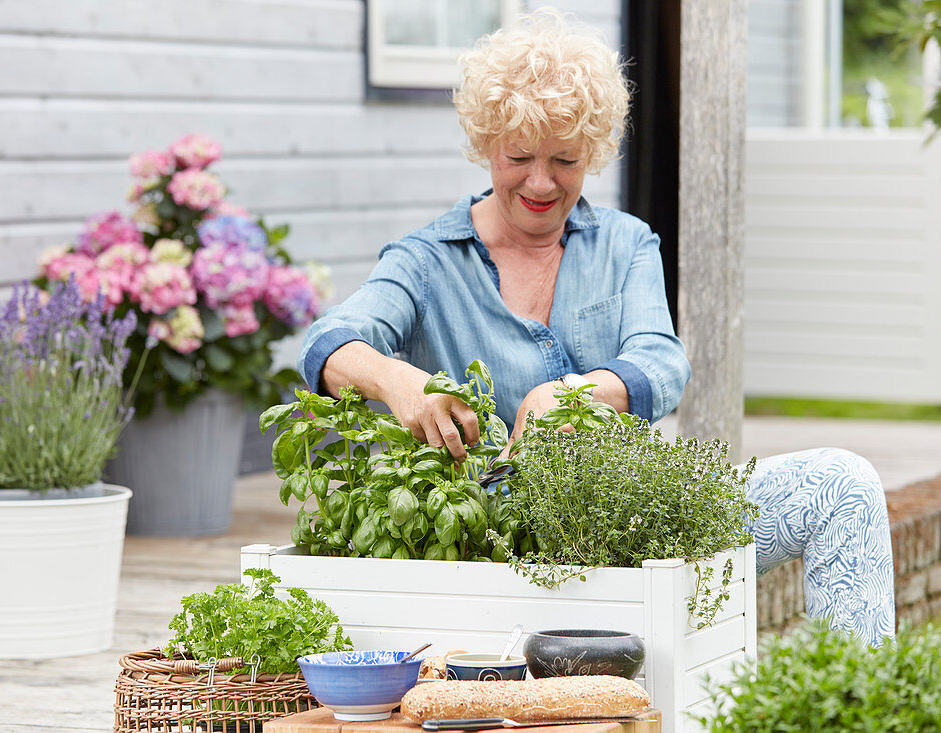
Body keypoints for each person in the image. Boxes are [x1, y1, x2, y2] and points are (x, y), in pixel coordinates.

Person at [297, 9, 894, 646]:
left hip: (639, 520)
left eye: (566, 160)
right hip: (502, 551)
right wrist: (398, 382)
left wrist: (577, 393)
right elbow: (329, 342)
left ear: (596, 152)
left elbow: (661, 363)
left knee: (842, 483)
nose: (541, 182)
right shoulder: (426, 262)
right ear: (484, 144)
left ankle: (859, 698)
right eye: (519, 156)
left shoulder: (625, 243)